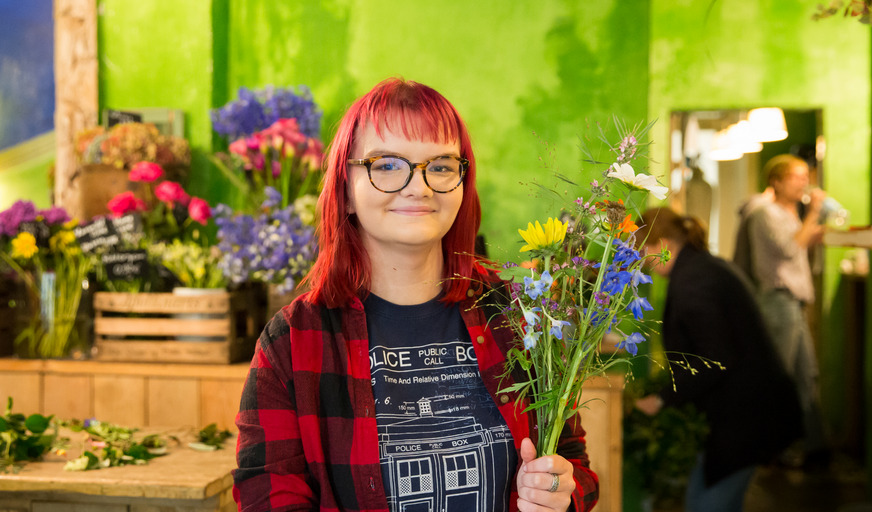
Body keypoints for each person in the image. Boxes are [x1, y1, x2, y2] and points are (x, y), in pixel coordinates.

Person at [233, 78, 599, 512]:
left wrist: (560, 493)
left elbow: (575, 464)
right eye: (387, 165)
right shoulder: (293, 342)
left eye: (441, 165)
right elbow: (267, 495)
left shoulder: (517, 317)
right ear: (346, 189)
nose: (418, 186)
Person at [635, 207, 802, 512]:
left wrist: (662, 398)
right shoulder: (702, 268)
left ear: (663, 244)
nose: (641, 259)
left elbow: (715, 357)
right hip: (749, 412)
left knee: (705, 505)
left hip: (746, 415)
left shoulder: (694, 280)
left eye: (642, 247)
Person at [741, 154, 828, 465]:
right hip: (778, 302)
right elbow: (791, 248)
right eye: (796, 176)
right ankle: (771, 450)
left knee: (807, 375)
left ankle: (814, 449)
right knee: (781, 378)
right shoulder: (765, 213)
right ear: (776, 181)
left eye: (806, 176)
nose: (804, 182)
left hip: (793, 303)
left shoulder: (789, 214)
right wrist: (815, 212)